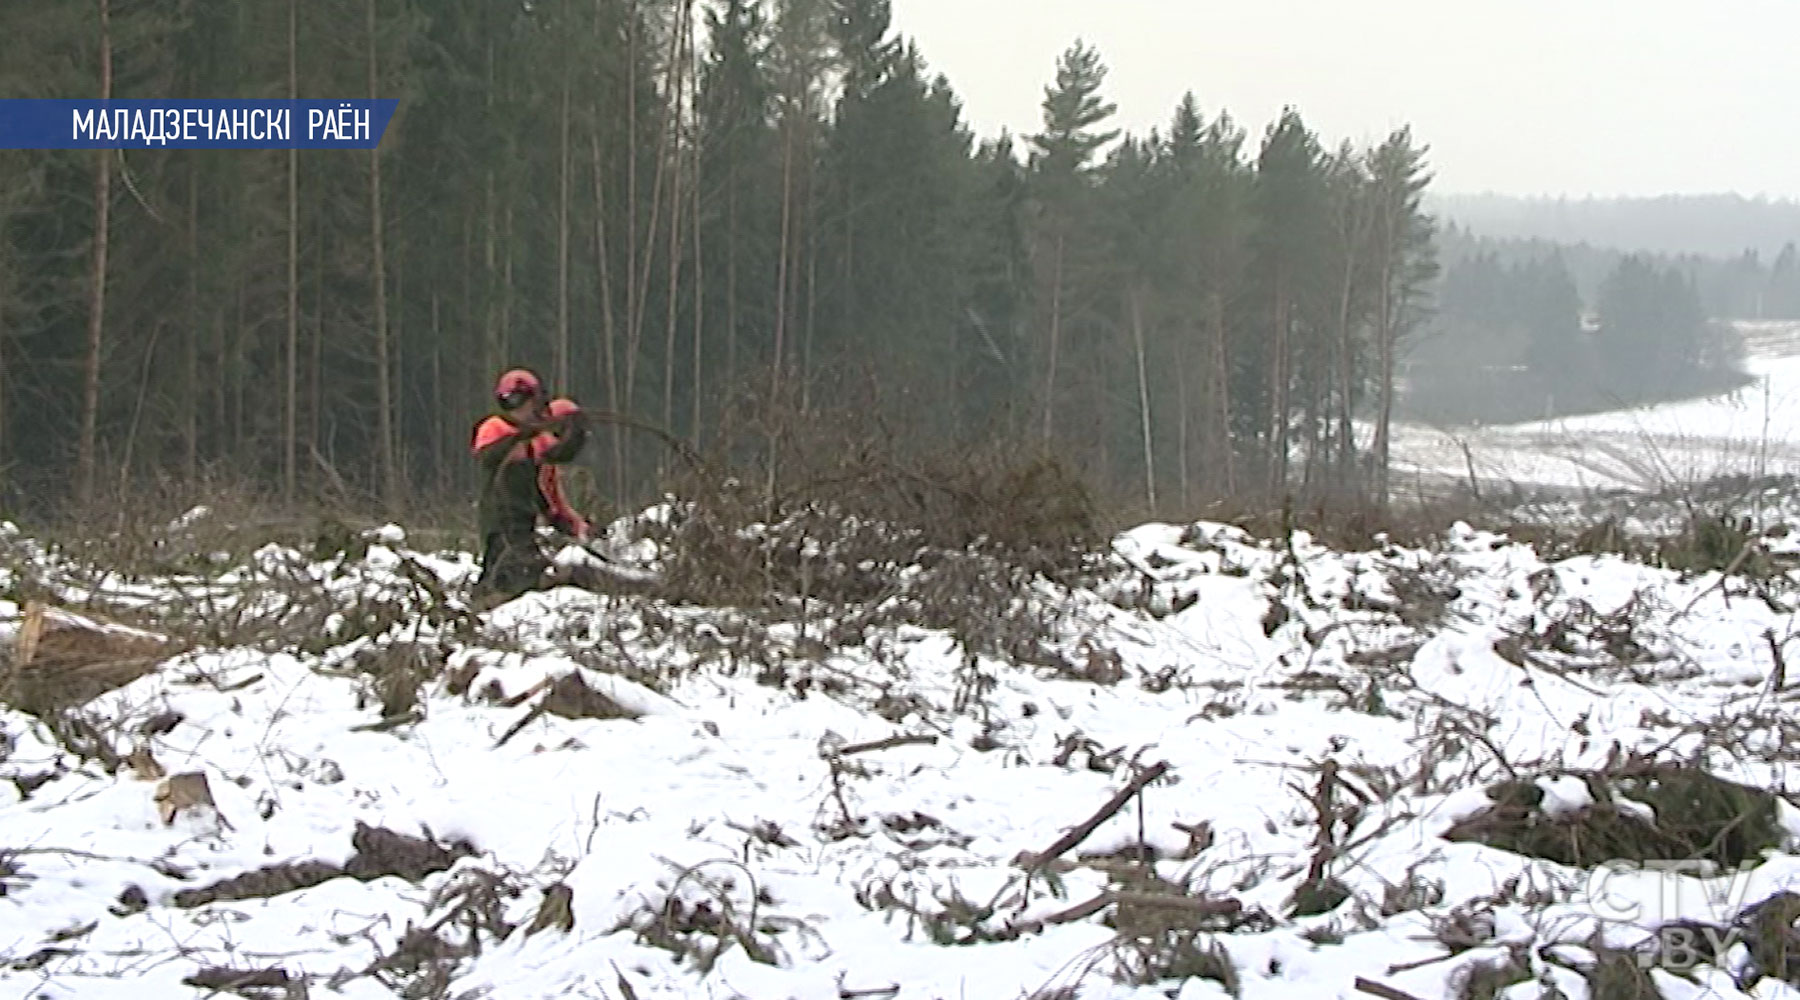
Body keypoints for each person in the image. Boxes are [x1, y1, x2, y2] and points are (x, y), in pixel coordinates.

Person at [469, 367, 590, 606]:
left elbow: (558, 457)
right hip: (498, 515)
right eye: (512, 402)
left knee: (521, 568)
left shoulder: (538, 439)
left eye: (522, 401)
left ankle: (491, 606)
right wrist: (522, 434)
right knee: (508, 565)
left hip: (525, 516)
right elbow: (489, 456)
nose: (519, 409)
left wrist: (576, 432)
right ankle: (487, 606)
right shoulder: (494, 427)